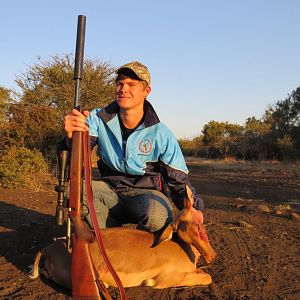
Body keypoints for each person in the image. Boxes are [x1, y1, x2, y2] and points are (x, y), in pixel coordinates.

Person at [59, 61, 204, 232]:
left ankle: (137, 250)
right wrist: (71, 138)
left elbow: (178, 181)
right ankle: (111, 240)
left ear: (146, 91)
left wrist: (196, 210)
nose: (123, 89)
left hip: (147, 195)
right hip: (110, 191)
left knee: (157, 216)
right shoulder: (97, 119)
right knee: (74, 193)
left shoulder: (161, 134)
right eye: (120, 84)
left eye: (131, 84)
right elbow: (76, 159)